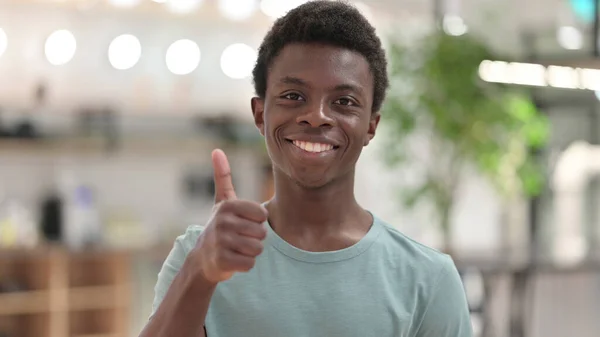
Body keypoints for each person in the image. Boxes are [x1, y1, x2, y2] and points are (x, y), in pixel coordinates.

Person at [140, 1, 473, 337]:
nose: (316, 116)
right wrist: (199, 271)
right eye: (294, 95)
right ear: (260, 114)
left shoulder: (428, 279)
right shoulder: (201, 254)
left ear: (371, 126)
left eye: (344, 101)